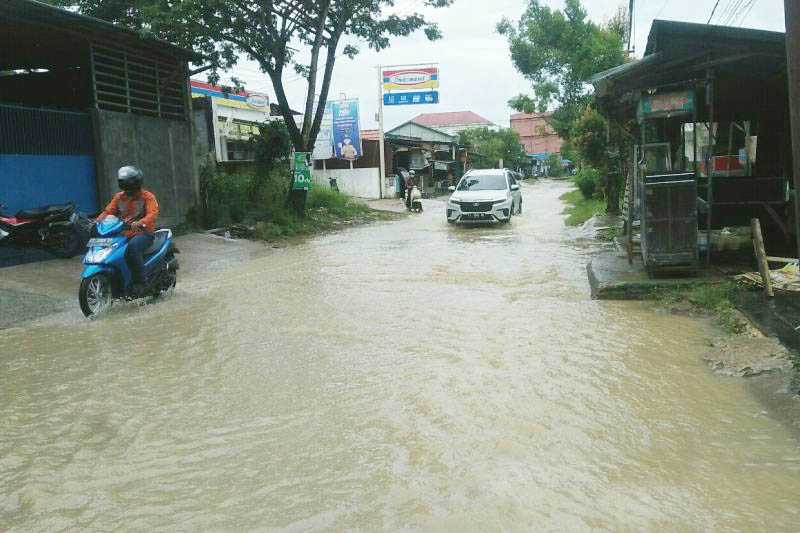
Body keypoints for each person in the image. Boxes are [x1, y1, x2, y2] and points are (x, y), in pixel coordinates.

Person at [97, 166, 159, 294]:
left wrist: (140, 223)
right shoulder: (119, 197)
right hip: (123, 232)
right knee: (103, 244)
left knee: (133, 248)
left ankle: (141, 282)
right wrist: (96, 222)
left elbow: (152, 214)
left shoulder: (147, 197)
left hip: (143, 233)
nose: (127, 190)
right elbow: (108, 212)